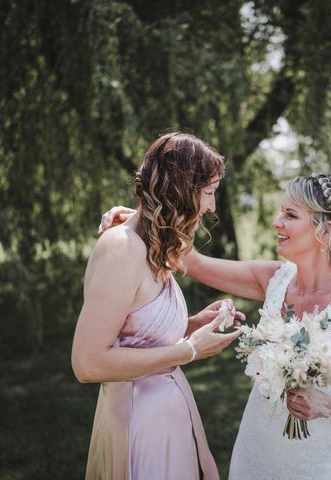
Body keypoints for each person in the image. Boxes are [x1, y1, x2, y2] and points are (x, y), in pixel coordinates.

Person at [101, 173, 331, 480]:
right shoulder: (273, 278)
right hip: (255, 449)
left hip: (312, 462)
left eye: (290, 215)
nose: (277, 222)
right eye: (281, 211)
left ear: (325, 230)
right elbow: (193, 263)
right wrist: (144, 222)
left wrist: (326, 406)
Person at [72, 132, 243, 480]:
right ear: (181, 189)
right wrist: (189, 351)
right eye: (208, 193)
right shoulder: (121, 249)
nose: (211, 206)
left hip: (169, 416)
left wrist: (193, 325)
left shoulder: (155, 246)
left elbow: (136, 335)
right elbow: (88, 363)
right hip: (138, 422)